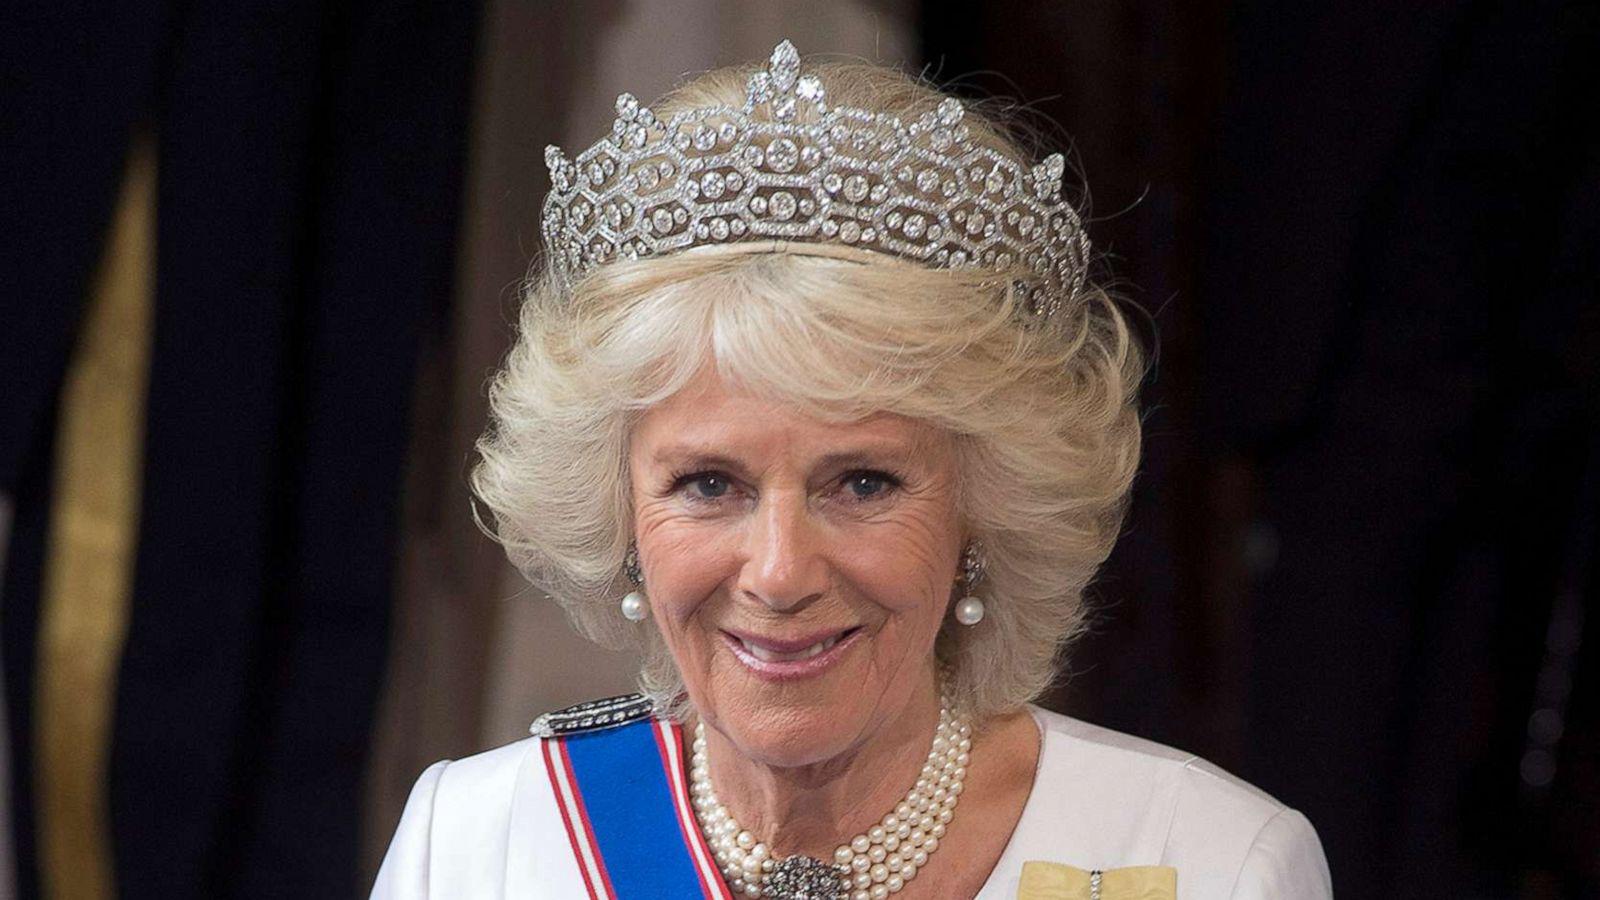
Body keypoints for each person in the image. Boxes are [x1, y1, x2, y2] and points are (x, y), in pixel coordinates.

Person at [371, 40, 1333, 900]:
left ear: (982, 510)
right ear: (620, 513)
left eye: (864, 483)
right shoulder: (473, 847)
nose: (781, 573)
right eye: (710, 484)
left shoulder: (1211, 861)